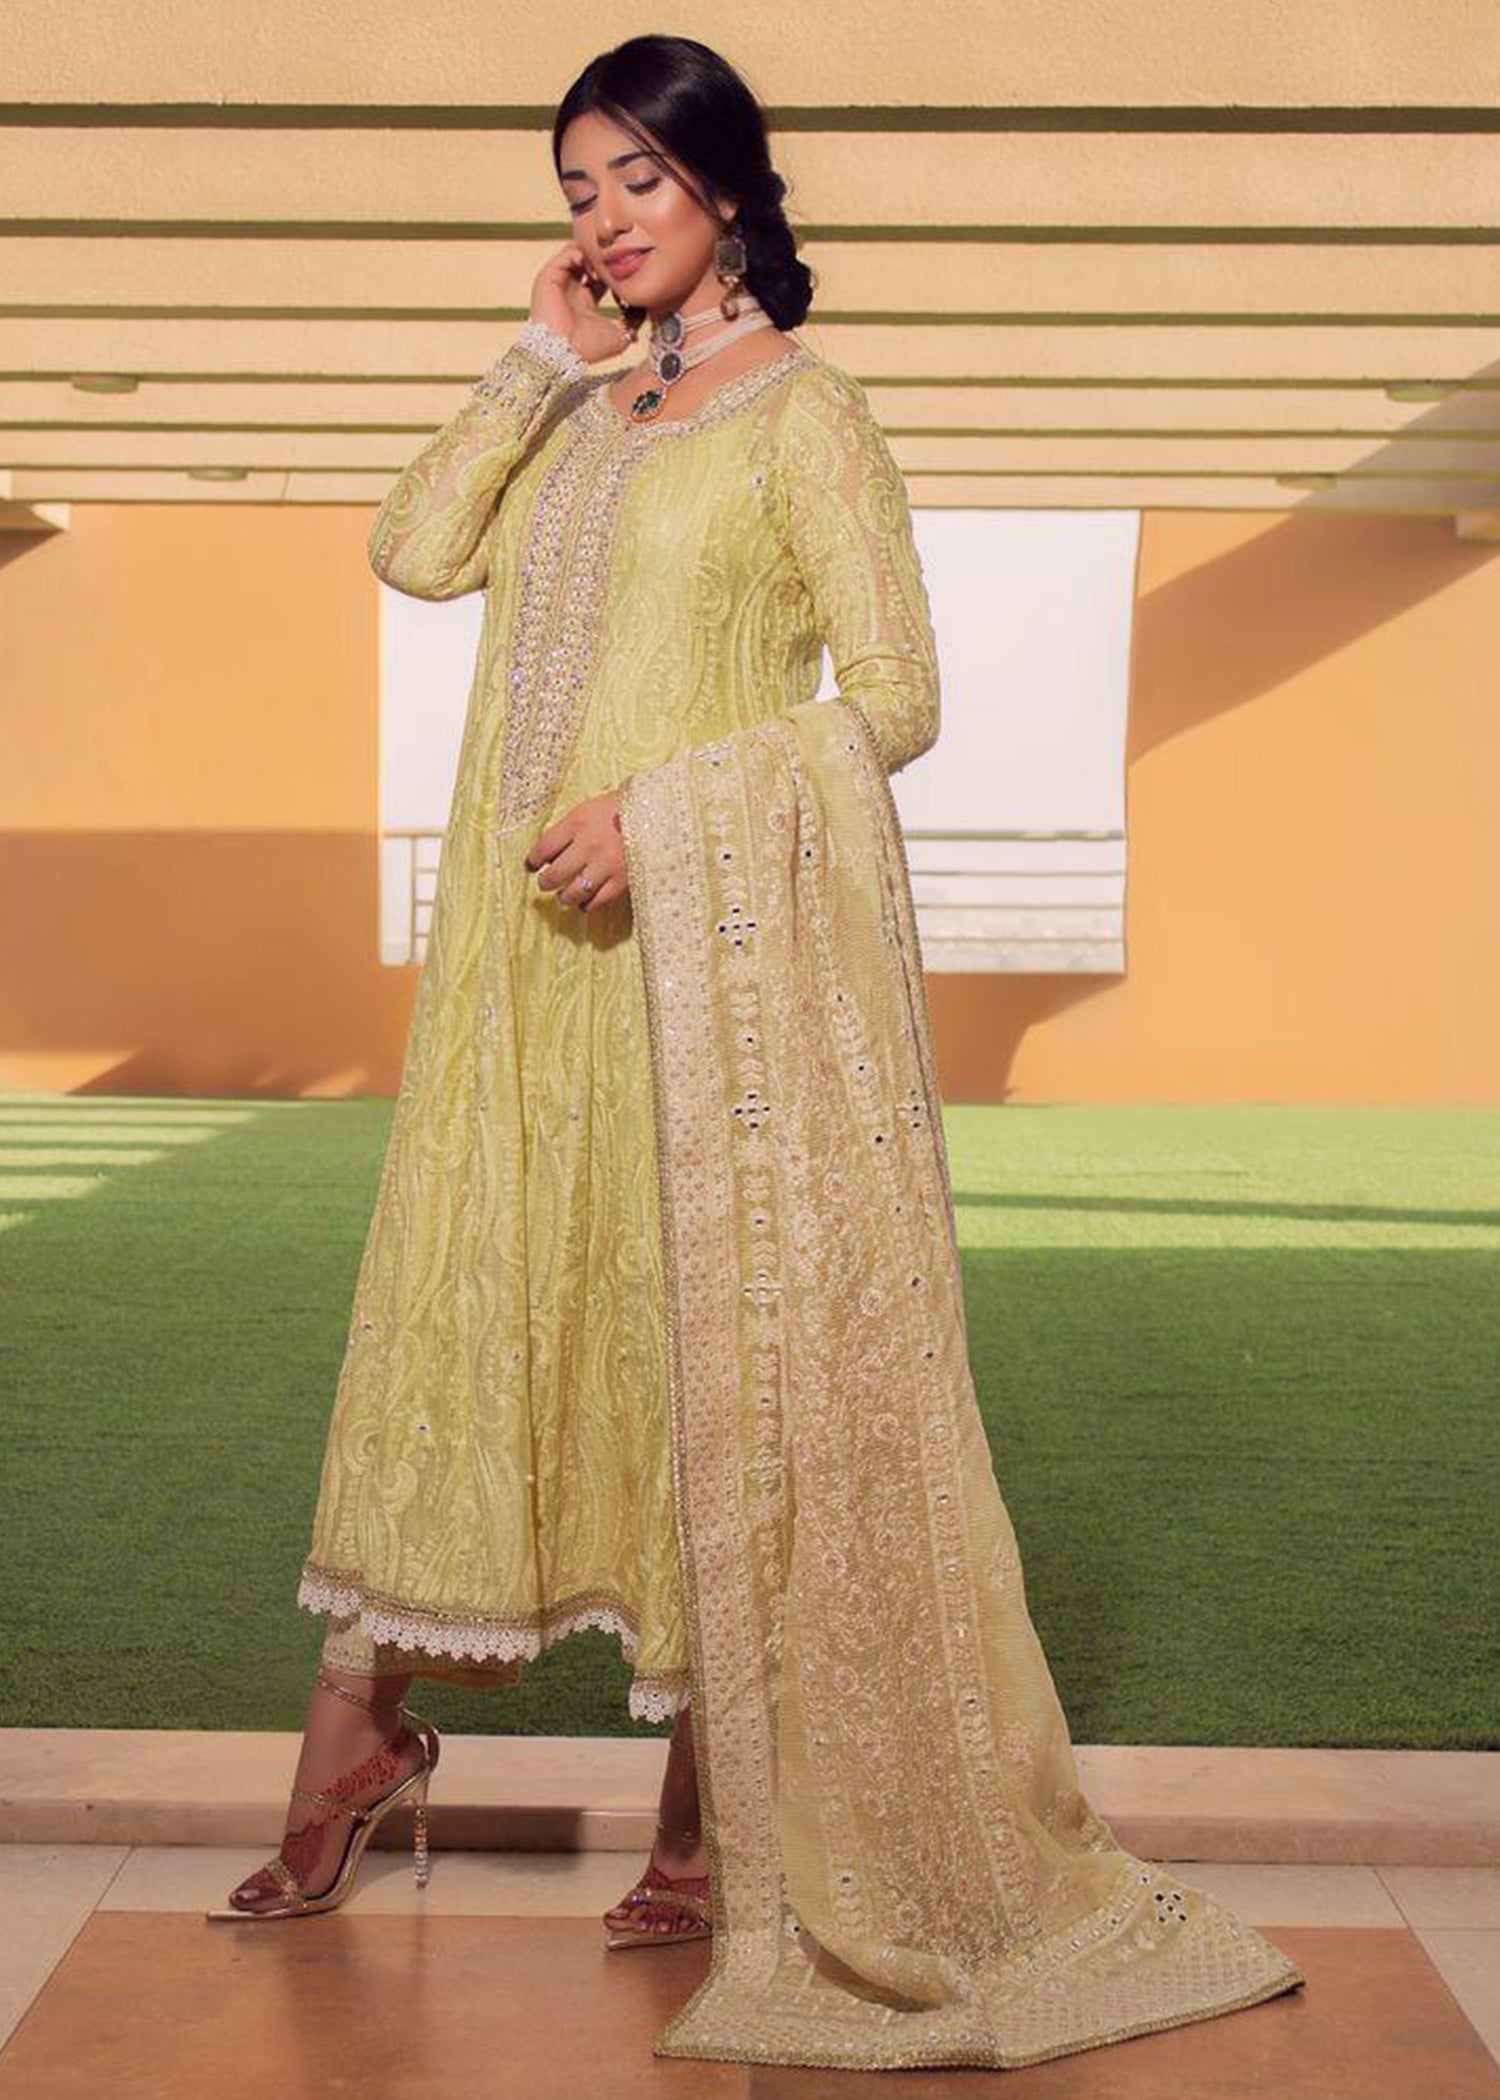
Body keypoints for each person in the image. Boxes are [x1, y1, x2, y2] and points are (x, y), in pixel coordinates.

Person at [206, 33, 1306, 2072]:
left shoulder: (810, 418)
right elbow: (414, 550)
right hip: (512, 985)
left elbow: (895, 694)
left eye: (636, 179)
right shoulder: (579, 404)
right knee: (480, 1319)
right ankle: (362, 1737)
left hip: (688, 972)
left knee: (703, 1347)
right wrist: (530, 362)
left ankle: (711, 1820)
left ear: (725, 185)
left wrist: (666, 816)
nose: (604, 219)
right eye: (576, 190)